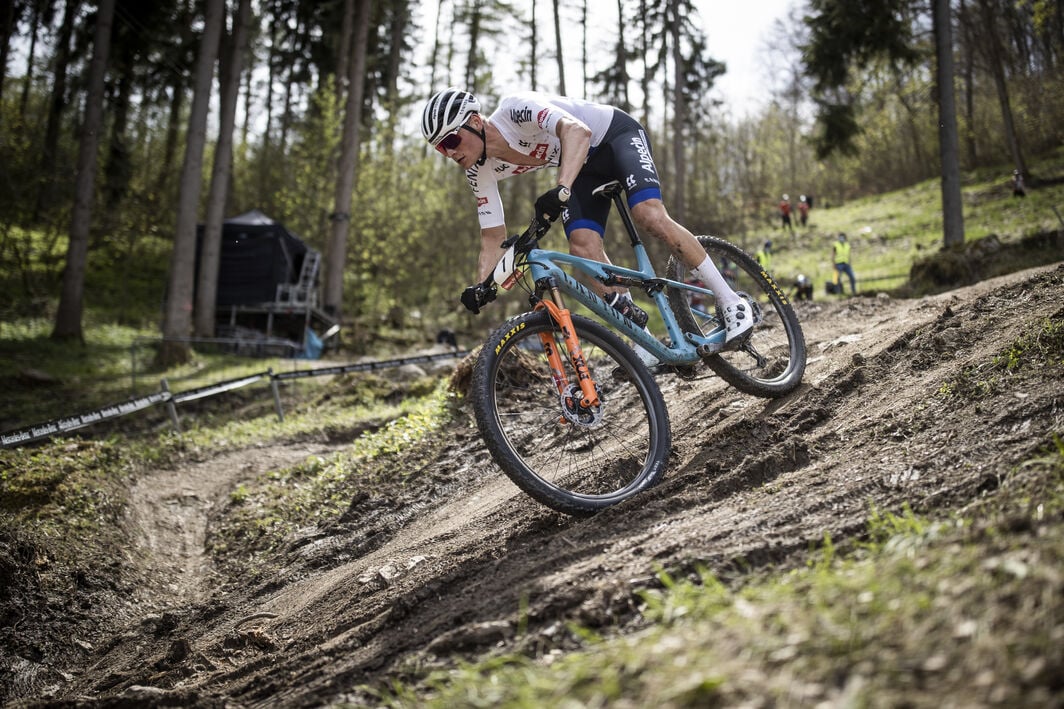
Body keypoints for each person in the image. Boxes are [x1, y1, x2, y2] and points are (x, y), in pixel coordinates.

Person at [421, 87, 753, 345]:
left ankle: (730, 301)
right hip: (582, 168)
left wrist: (562, 189)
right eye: (440, 148)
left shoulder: (515, 109)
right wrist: (484, 286)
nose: (449, 152)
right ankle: (644, 342)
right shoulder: (479, 171)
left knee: (648, 214)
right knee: (582, 247)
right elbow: (492, 237)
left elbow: (577, 132)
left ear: (476, 121)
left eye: (451, 139)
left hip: (613, 136)